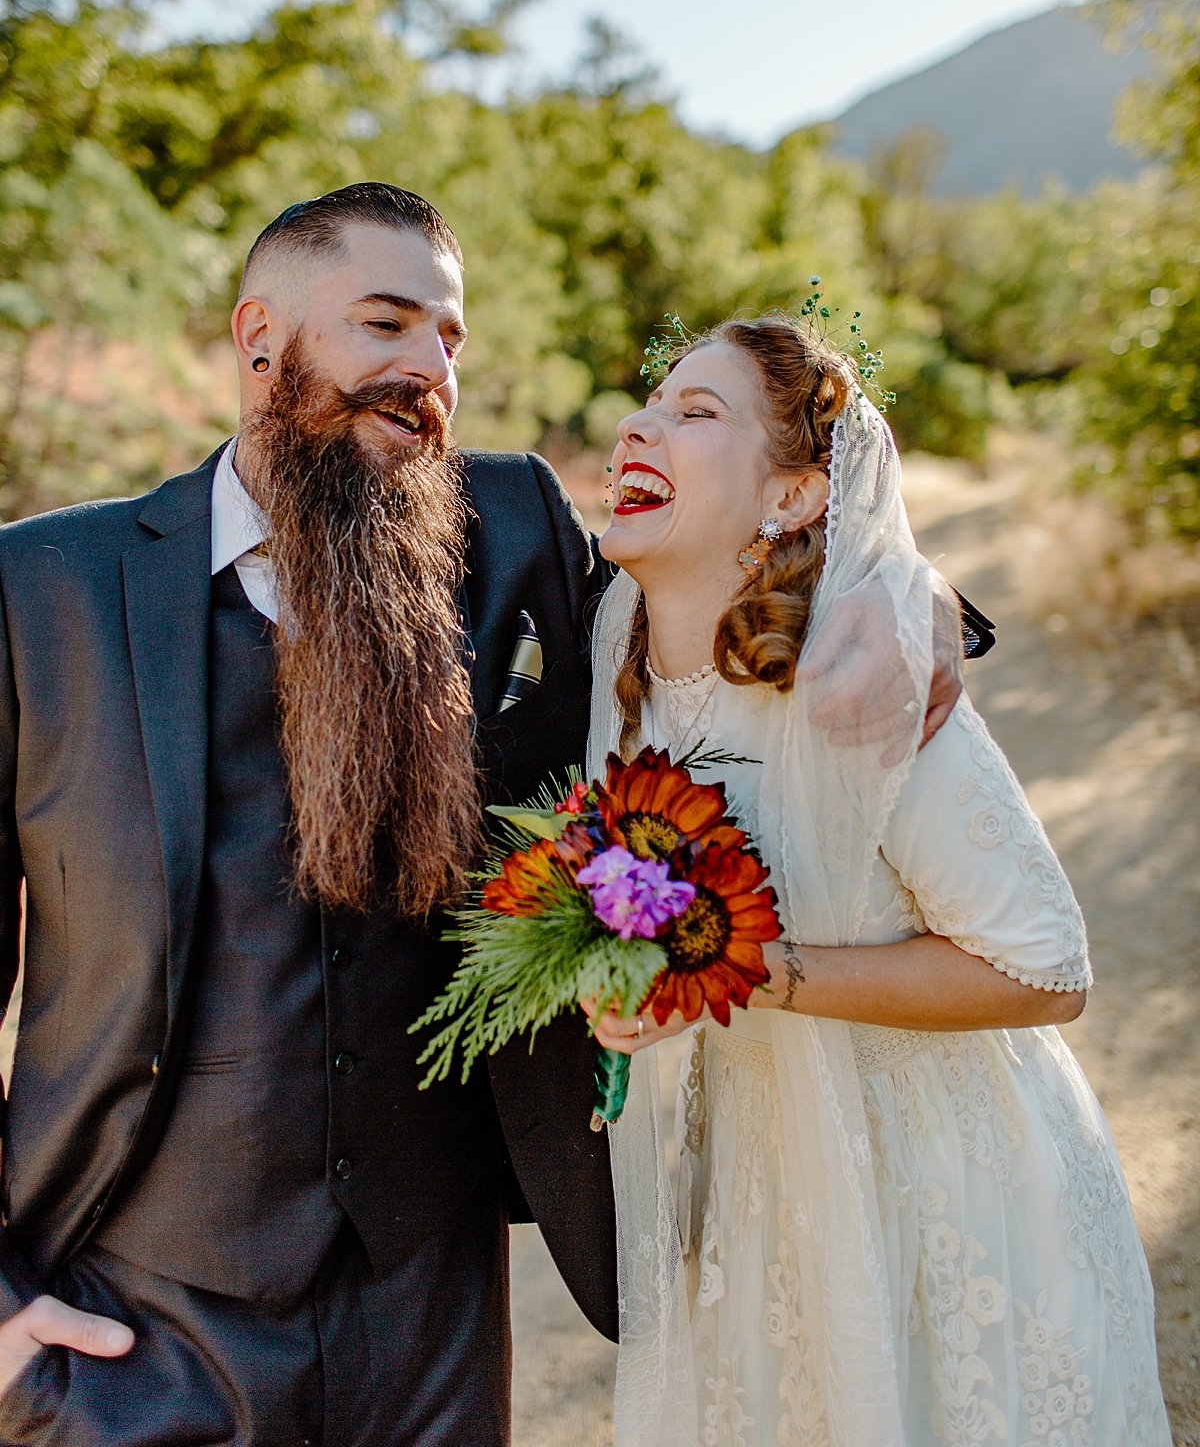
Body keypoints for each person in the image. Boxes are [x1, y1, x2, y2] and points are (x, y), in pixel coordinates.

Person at [0, 183, 620, 1445]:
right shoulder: (42, 589)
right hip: (129, 1312)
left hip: (431, 1301)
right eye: (385, 324)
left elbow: (722, 630)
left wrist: (912, 601)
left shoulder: (514, 533)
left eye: (449, 340)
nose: (427, 370)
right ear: (260, 335)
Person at [584, 317, 1171, 1446]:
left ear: (798, 499)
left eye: (696, 413)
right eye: (651, 403)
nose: (637, 425)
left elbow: (1045, 969)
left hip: (934, 1195)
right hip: (759, 1203)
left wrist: (745, 969)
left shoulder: (866, 677)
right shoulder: (620, 665)